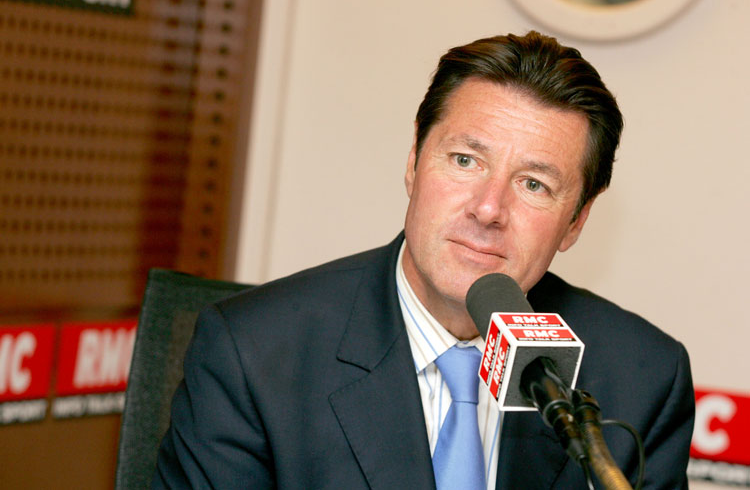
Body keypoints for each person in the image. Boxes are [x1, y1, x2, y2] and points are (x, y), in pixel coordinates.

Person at [153, 31, 694, 489]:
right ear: (414, 161)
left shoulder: (641, 378)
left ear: (576, 220)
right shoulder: (254, 355)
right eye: (465, 160)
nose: (488, 208)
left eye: (534, 184)